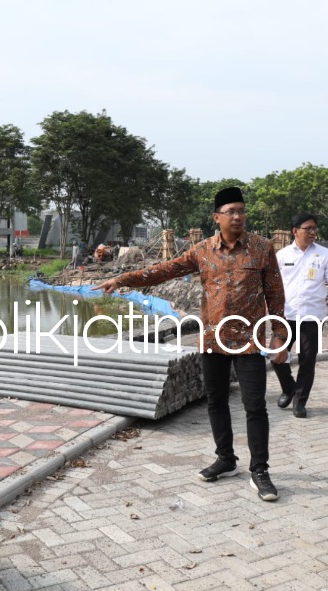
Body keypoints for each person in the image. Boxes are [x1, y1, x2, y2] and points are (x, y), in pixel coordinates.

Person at [96, 186, 288, 501]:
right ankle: (226, 459)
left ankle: (260, 470)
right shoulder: (202, 250)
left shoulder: (262, 248)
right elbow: (163, 271)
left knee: (255, 406)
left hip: (250, 342)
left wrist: (279, 337)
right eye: (231, 211)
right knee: (216, 402)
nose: (238, 216)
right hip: (213, 339)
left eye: (242, 210)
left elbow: (276, 296)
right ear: (217, 217)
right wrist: (124, 279)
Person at [273, 213, 328, 418]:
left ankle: (300, 401)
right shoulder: (282, 255)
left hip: (312, 316)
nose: (313, 232)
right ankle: (289, 388)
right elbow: (274, 284)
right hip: (286, 315)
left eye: (315, 228)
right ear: (295, 231)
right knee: (276, 356)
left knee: (307, 360)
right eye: (308, 228)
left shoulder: (324, 255)